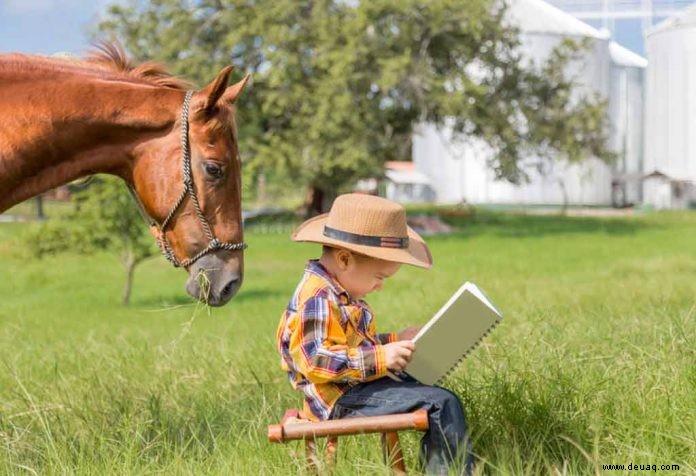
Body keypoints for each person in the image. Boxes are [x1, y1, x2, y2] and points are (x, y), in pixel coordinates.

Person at [276, 193, 474, 474]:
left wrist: (395, 341)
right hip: (341, 399)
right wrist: (381, 357)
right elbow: (316, 360)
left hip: (357, 386)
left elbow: (350, 344)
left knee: (426, 379)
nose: (380, 286)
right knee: (440, 403)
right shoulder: (318, 296)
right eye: (379, 277)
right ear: (344, 259)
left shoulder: (339, 292)